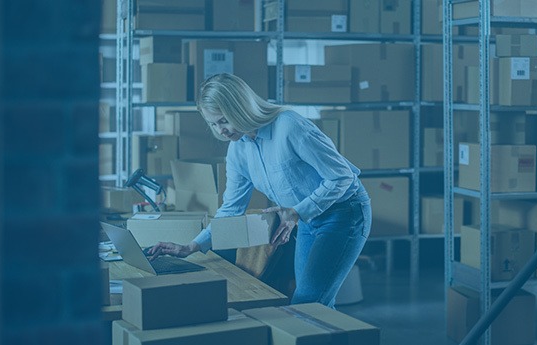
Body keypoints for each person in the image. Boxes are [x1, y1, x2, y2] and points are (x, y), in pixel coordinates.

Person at [147, 73, 372, 307]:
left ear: (240, 107)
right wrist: (192, 246)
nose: (220, 130)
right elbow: (231, 209)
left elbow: (342, 176)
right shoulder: (238, 150)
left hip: (345, 213)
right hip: (306, 220)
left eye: (223, 120)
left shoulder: (289, 126)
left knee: (310, 302)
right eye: (213, 124)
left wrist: (297, 212)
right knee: (312, 303)